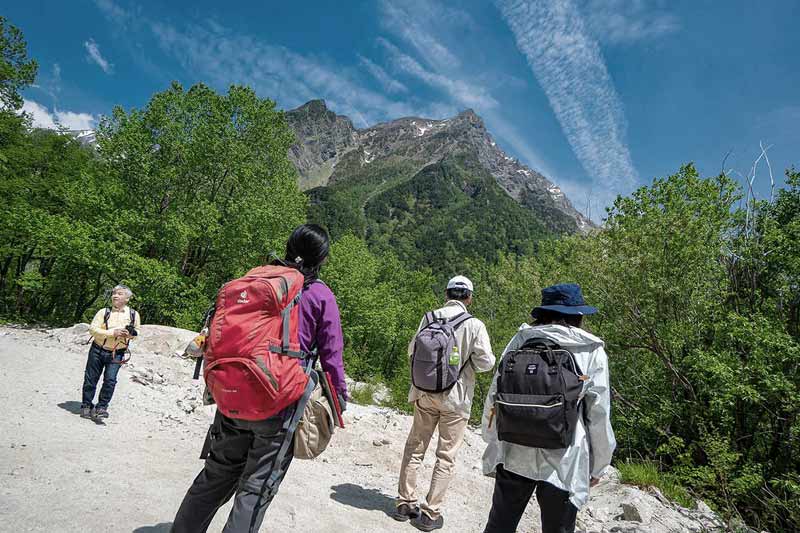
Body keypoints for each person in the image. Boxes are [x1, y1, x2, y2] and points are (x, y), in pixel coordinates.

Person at [171, 224, 347, 533]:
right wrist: (339, 400)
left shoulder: (258, 281)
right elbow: (332, 354)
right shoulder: (320, 295)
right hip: (280, 400)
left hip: (233, 391)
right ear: (322, 259)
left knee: (215, 476)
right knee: (255, 489)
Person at [481, 283, 616, 533]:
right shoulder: (591, 350)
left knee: (500, 524)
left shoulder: (520, 340)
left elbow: (495, 393)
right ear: (578, 315)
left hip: (514, 449)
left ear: (542, 313)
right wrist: (599, 464)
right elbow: (598, 412)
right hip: (564, 458)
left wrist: (491, 441)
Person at [395, 275, 495, 532]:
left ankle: (405, 504)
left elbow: (411, 351)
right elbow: (487, 363)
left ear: (446, 293)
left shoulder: (428, 318)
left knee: (415, 447)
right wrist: (464, 362)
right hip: (456, 398)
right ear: (469, 298)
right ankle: (430, 514)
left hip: (424, 393)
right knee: (445, 456)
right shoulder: (474, 325)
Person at [81, 284, 140, 420]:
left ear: (127, 298)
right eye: (114, 293)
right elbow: (93, 330)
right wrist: (112, 333)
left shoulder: (133, 314)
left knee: (110, 380)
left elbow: (137, 333)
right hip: (97, 349)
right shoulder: (103, 312)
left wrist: (130, 334)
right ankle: (86, 405)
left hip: (117, 352)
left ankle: (102, 407)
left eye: (119, 294)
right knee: (91, 378)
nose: (115, 296)